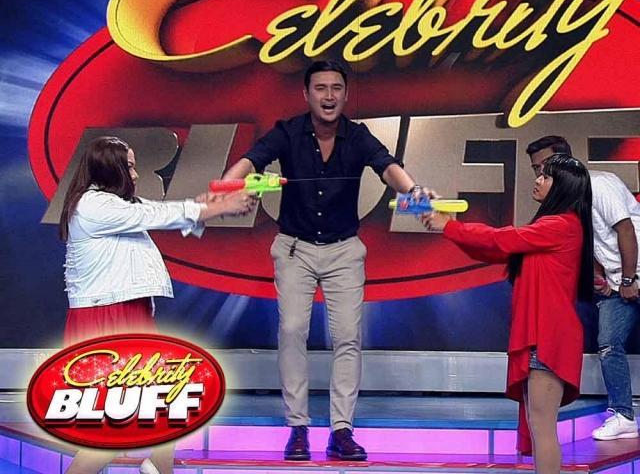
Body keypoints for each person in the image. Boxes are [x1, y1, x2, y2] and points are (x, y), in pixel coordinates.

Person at [220, 60, 432, 461]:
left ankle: (342, 431)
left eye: (336, 88)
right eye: (321, 88)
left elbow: (388, 167)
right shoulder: (288, 131)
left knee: (348, 336)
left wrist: (415, 193)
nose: (329, 96)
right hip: (295, 248)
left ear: (345, 94)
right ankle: (297, 428)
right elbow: (253, 159)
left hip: (344, 250)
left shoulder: (358, 135)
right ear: (307, 94)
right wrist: (229, 185)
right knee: (292, 330)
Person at [60, 136, 256, 474]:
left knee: (169, 404)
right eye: (129, 167)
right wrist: (218, 207)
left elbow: (160, 211)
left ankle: (159, 466)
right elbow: (157, 214)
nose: (135, 175)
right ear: (110, 169)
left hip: (125, 314)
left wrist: (209, 205)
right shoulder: (94, 206)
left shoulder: (112, 205)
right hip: (106, 319)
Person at [424, 154, 593, 474]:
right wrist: (449, 227)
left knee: (542, 427)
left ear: (564, 186)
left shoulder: (561, 225)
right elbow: (492, 248)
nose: (538, 180)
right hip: (543, 335)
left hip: (548, 336)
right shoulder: (555, 226)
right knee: (539, 425)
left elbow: (500, 239)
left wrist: (450, 226)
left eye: (546, 176)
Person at [526, 135, 640, 441]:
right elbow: (586, 239)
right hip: (617, 280)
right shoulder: (566, 199)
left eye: (546, 165)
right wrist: (600, 275)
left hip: (631, 274)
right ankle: (623, 416)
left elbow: (625, 229)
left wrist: (629, 279)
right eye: (536, 168)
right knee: (609, 343)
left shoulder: (599, 184)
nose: (540, 173)